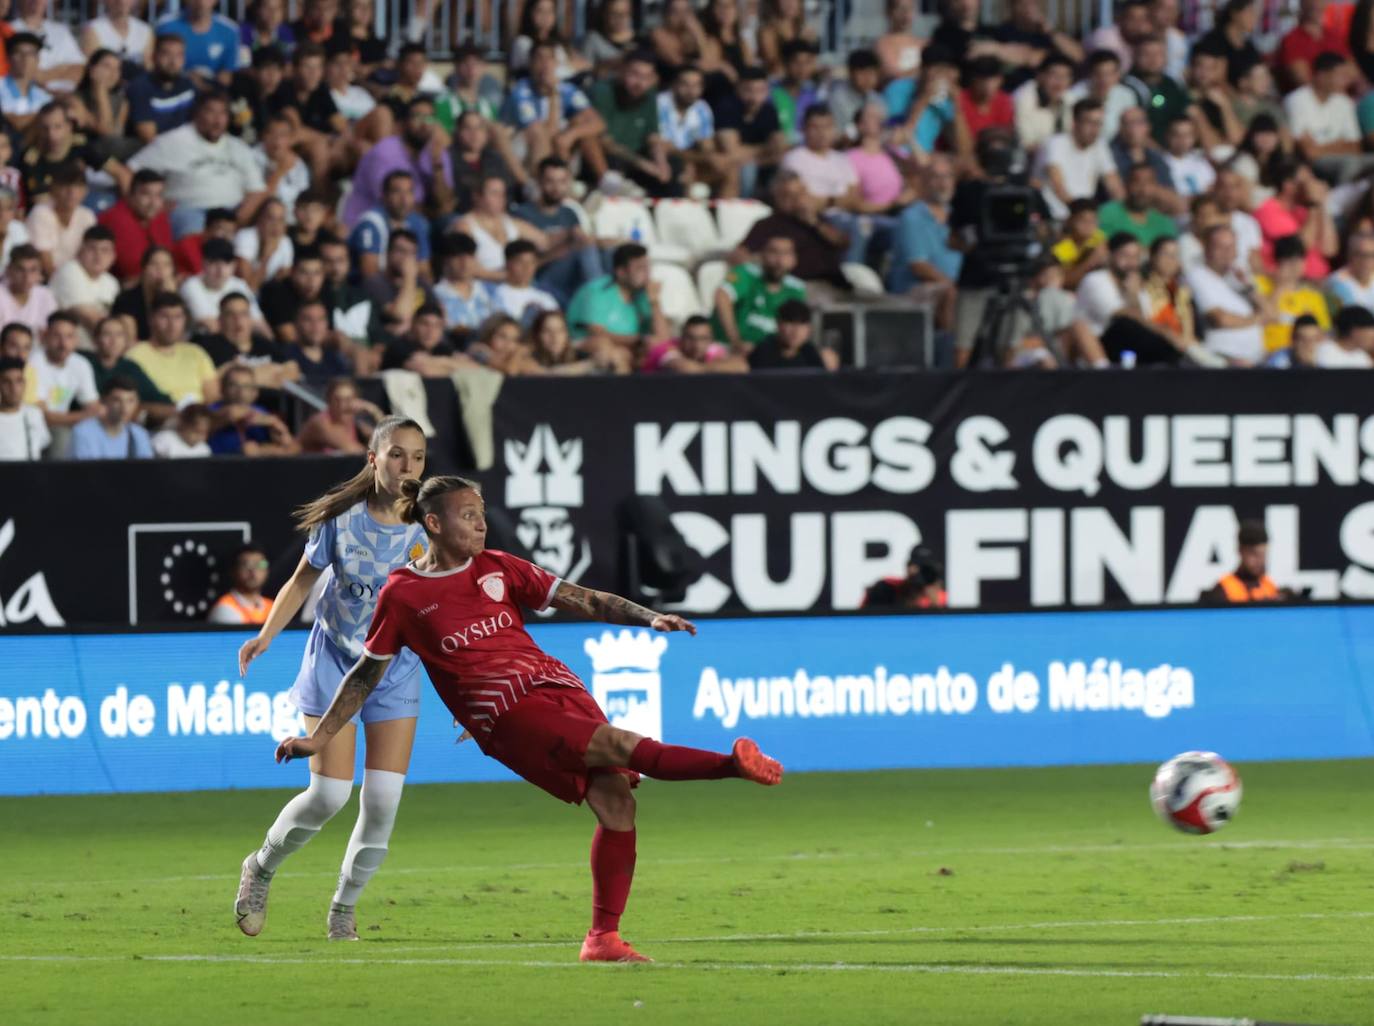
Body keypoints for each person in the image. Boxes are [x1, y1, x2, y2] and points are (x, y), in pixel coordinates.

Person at [271, 473, 783, 963]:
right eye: (467, 515)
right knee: (622, 745)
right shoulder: (403, 594)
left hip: (555, 685)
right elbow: (366, 673)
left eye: (482, 515)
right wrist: (319, 738)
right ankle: (731, 765)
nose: (480, 524)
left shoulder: (497, 566)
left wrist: (648, 616)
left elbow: (583, 599)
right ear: (433, 524)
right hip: (505, 713)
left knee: (616, 803)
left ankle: (602, 938)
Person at [234, 417, 432, 941]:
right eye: (395, 455)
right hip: (335, 661)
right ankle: (260, 868)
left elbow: (450, 611)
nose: (406, 466)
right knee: (329, 796)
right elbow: (302, 582)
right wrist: (266, 636)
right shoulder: (342, 519)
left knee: (384, 799)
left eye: (416, 457)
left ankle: (344, 907)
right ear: (373, 459)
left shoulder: (432, 527)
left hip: (395, 669)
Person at [127, 90, 269, 239]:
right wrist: (153, 206)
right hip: (189, 211)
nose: (217, 120)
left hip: (230, 213)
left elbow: (256, 191)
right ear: (197, 114)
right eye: (211, 112)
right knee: (195, 231)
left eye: (223, 114)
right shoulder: (173, 141)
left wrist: (236, 221)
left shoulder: (238, 147)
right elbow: (130, 171)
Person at [342, 96, 453, 229]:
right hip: (370, 222)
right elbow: (393, 205)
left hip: (415, 222)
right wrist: (435, 212)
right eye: (417, 118)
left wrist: (437, 166)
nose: (424, 125)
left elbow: (445, 202)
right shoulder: (384, 151)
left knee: (451, 223)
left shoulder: (436, 151)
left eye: (429, 119)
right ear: (404, 123)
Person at [566, 242, 668, 370]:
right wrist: (638, 341)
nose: (647, 274)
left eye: (648, 267)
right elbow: (597, 333)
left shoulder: (644, 295)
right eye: (640, 268)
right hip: (583, 347)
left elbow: (664, 339)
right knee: (609, 349)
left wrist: (655, 302)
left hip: (631, 349)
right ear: (621, 272)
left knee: (661, 352)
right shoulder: (597, 291)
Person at [1185, 224, 1271, 365]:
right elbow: (1221, 319)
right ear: (1206, 249)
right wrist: (1257, 319)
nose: (1227, 253)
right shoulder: (1197, 276)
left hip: (1255, 360)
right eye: (1220, 247)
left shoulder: (1239, 279)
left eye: (1231, 247)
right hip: (1224, 360)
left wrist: (1249, 288)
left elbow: (1271, 314)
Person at [712, 234, 806, 351]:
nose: (779, 260)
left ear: (794, 259)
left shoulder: (796, 288)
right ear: (762, 254)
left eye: (786, 253)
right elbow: (722, 296)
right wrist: (736, 342)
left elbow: (799, 325)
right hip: (732, 350)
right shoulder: (746, 273)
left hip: (771, 355)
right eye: (774, 252)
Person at [1035, 98, 1123, 222]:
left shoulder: (1100, 146)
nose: (1094, 129)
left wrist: (1125, 211)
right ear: (1075, 122)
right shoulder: (1055, 143)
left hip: (1084, 218)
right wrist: (1083, 215)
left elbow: (1114, 184)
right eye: (1089, 122)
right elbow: (1058, 186)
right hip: (1052, 217)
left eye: (1098, 123)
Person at [126, 292, 220, 403]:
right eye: (164, 317)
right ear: (151, 319)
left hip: (199, 415)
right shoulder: (135, 356)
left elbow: (213, 396)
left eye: (177, 317)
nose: (172, 324)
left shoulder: (196, 352)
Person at [348, 170, 431, 281]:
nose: (404, 199)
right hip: (363, 290)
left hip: (402, 286)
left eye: (409, 192)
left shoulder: (418, 223)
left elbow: (424, 270)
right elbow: (370, 274)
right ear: (384, 196)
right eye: (397, 192)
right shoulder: (371, 223)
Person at [100, 169, 174, 283]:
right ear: (130, 195)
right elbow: (131, 269)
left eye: (159, 195)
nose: (153, 203)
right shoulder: (116, 218)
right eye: (146, 194)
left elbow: (168, 258)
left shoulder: (160, 217)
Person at [208, 364, 299, 456]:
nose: (241, 392)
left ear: (255, 392)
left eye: (246, 386)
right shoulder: (210, 410)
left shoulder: (262, 411)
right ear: (222, 389)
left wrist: (279, 430)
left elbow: (291, 449)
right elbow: (227, 415)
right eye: (233, 385)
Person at [126, 33, 196, 143]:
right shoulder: (140, 87)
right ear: (154, 57)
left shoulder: (188, 85)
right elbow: (148, 138)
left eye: (179, 55)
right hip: (154, 152)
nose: (173, 62)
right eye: (166, 54)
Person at [49, 224, 119, 333]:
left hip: (101, 345)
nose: (98, 256)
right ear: (81, 250)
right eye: (92, 249)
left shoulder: (112, 282)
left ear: (113, 256)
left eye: (105, 250)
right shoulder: (69, 271)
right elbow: (89, 318)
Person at [154, 0, 240, 88]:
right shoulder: (166, 26)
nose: (201, 2)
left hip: (211, 93)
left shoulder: (229, 30)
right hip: (173, 88)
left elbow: (227, 75)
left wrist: (205, 87)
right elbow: (155, 66)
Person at [1200, 520, 1287, 603]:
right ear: (1240, 551)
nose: (1259, 561)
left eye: (1263, 555)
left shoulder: (1269, 587)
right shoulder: (1224, 589)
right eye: (1254, 554)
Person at [69, 373, 152, 459]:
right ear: (104, 401)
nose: (125, 408)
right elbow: (85, 471)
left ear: (137, 402)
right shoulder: (83, 432)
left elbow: (147, 470)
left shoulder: (139, 434)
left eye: (130, 401)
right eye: (117, 400)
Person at [1096, 162, 1177, 247]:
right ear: (1126, 184)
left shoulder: (1165, 224)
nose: (1143, 190)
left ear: (1156, 187)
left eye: (1149, 183)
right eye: (1137, 183)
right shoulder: (1105, 214)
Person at [431, 232, 494, 337]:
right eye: (458, 257)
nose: (465, 263)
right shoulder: (436, 294)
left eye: (469, 256)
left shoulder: (487, 291)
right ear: (446, 260)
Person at [298, 376, 383, 454]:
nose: (341, 406)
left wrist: (374, 410)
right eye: (336, 400)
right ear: (328, 401)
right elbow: (356, 452)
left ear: (356, 402)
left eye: (348, 400)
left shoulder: (358, 426)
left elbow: (389, 441)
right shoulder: (320, 423)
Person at [489, 239, 560, 327]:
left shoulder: (546, 297)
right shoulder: (497, 295)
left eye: (531, 262)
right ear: (508, 264)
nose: (527, 268)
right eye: (520, 262)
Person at [748, 297, 833, 370]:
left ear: (809, 329)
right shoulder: (763, 352)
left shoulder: (810, 353)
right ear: (778, 324)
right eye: (790, 322)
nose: (796, 331)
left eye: (801, 324)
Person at [643, 314, 748, 373]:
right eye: (691, 338)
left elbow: (741, 366)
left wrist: (701, 368)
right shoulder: (666, 349)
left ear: (710, 339)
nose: (697, 345)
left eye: (703, 339)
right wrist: (714, 367)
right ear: (682, 337)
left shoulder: (713, 349)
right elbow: (683, 368)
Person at [862, 545, 947, 609]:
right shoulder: (885, 589)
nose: (921, 576)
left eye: (926, 571)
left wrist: (936, 606)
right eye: (916, 567)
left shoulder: (946, 600)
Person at [0, 33, 52, 137]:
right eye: (19, 53)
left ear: (38, 59)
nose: (25, 59)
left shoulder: (44, 96)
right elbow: (17, 123)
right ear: (9, 58)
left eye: (31, 53)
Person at [0, 355, 48, 460]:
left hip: (29, 474)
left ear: (25, 384)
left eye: (19, 381)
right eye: (6, 382)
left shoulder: (35, 414)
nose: (14, 388)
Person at [0, 242, 56, 332]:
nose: (27, 277)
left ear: (40, 273)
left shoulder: (45, 295)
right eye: (20, 270)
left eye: (33, 270)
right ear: (8, 270)